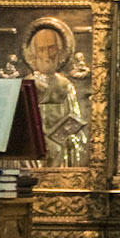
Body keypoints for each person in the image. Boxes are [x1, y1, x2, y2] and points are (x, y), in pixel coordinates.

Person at [24, 18, 87, 165]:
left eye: (51, 48)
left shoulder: (65, 85)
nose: (47, 55)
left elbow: (74, 119)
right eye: (41, 49)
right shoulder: (26, 85)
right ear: (34, 53)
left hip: (60, 145)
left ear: (59, 51)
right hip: (33, 146)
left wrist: (56, 140)